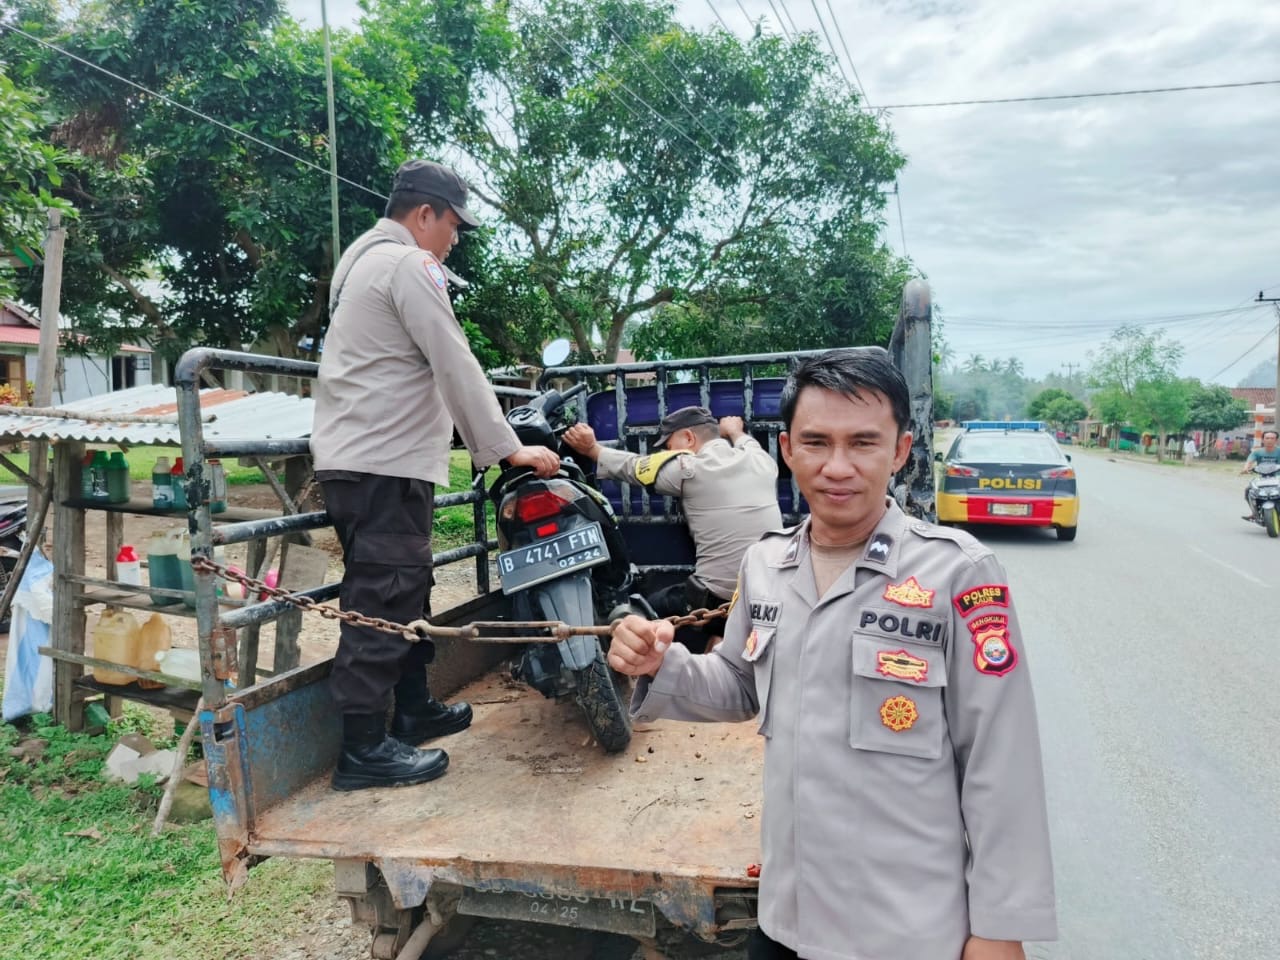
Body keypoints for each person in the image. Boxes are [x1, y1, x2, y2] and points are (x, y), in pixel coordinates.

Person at [607, 348, 1057, 960]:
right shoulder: (764, 565)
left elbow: (1001, 763)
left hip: (907, 931)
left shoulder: (959, 573)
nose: (837, 467)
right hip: (787, 919)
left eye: (863, 443)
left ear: (899, 451)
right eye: (816, 442)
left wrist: (1000, 928)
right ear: (787, 451)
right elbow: (740, 684)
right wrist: (662, 664)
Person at [312, 159, 560, 792]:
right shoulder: (409, 265)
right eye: (453, 225)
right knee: (382, 595)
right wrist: (507, 450)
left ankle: (415, 707)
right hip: (380, 464)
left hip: (373, 459)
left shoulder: (361, 264)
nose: (454, 240)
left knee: (405, 588)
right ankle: (363, 749)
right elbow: (455, 361)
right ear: (425, 214)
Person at [563, 406, 782, 618]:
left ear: (688, 438)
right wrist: (735, 431)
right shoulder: (762, 460)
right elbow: (747, 442)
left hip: (719, 599)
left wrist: (591, 448)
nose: (667, 453)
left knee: (647, 610)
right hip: (771, 592)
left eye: (669, 446)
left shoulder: (690, 468)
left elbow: (634, 466)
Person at [1240, 428, 1280, 517]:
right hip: (1262, 478)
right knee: (1249, 491)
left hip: (1278, 478)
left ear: (1276, 440)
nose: (1269, 440)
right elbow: (1249, 461)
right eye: (1267, 438)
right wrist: (1246, 468)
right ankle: (1254, 512)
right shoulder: (1257, 452)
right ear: (1263, 440)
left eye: (1272, 438)